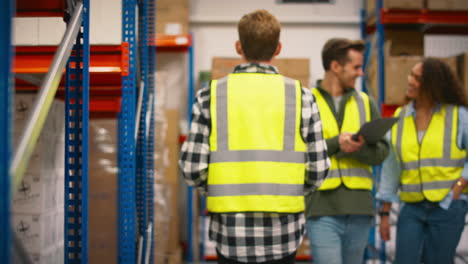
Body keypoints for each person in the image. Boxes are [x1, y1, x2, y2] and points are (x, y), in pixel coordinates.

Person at [178, 9, 330, 264]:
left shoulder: (211, 96)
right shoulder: (302, 97)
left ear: (239, 47)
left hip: (230, 233)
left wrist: (219, 189)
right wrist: (288, 190)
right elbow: (318, 170)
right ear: (278, 48)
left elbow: (192, 169)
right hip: (284, 232)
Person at [305, 38, 390, 264]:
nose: (361, 73)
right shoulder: (307, 102)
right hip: (321, 208)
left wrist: (357, 148)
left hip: (360, 209)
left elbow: (382, 152)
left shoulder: (365, 102)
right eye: (355, 67)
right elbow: (299, 153)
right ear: (335, 67)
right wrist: (336, 144)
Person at [377, 58, 468, 264]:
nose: (410, 81)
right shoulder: (399, 117)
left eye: (418, 78)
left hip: (447, 206)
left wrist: (460, 184)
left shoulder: (457, 116)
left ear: (434, 84)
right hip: (412, 208)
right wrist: (384, 213)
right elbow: (391, 168)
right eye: (411, 74)